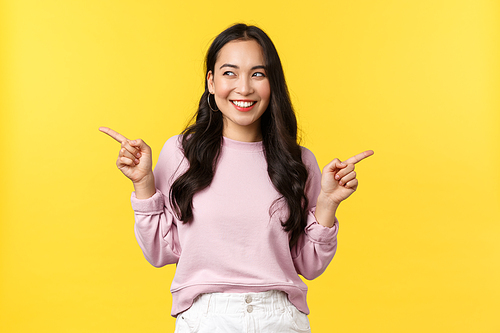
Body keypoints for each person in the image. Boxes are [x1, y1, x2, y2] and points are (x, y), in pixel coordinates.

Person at [100, 23, 373, 333]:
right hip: (206, 318)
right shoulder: (180, 152)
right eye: (230, 73)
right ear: (211, 82)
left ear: (273, 84)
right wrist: (143, 184)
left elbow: (309, 265)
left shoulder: (298, 161)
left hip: (280, 319)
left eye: (258, 74)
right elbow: (160, 253)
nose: (244, 88)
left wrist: (327, 202)